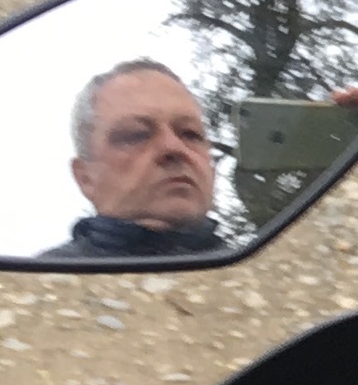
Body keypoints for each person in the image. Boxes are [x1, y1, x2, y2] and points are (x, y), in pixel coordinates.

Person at [41, 59, 232, 258]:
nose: (173, 147)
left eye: (190, 134)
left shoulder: (250, 269)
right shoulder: (45, 276)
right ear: (86, 178)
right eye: (137, 135)